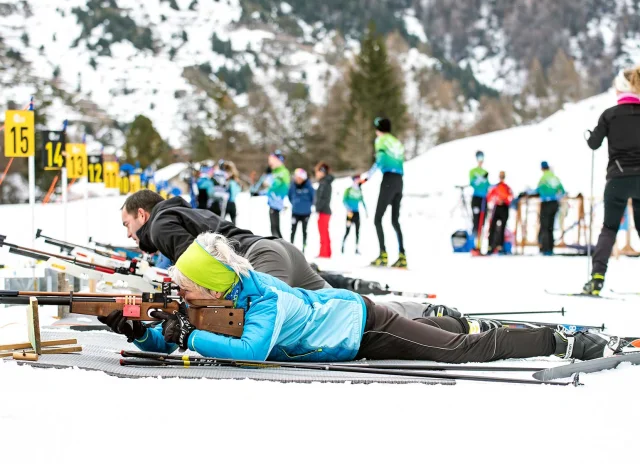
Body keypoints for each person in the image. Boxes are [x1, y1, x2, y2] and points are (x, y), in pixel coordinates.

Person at [102, 232, 625, 364]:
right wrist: (142, 332)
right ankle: (464, 324)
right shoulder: (217, 300)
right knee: (451, 336)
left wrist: (190, 334)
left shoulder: (264, 299)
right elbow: (174, 341)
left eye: (187, 284)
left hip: (364, 326)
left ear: (213, 283)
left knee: (455, 353)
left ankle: (560, 340)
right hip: (354, 333)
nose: (181, 290)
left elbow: (254, 352)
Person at [120, 190, 382, 295]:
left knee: (271, 330)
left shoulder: (158, 226)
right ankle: (417, 313)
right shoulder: (185, 212)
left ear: (142, 215)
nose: (129, 235)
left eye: (128, 225)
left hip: (258, 262)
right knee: (344, 308)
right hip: (279, 250)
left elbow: (198, 267)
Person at [583, 66, 640, 295]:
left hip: (617, 178)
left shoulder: (610, 114)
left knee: (609, 229)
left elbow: (594, 144)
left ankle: (597, 279)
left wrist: (590, 135)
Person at [362, 117, 406, 268]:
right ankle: (402, 256)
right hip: (399, 180)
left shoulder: (380, 140)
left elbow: (379, 160)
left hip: (388, 180)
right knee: (395, 220)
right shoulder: (397, 142)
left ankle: (383, 255)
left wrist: (366, 177)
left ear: (379, 129)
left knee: (377, 219)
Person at [536, 161, 566, 256]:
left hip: (546, 204)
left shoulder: (543, 178)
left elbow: (538, 190)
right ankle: (550, 248)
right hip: (555, 204)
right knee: (550, 227)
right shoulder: (555, 178)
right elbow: (562, 191)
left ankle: (545, 249)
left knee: (544, 227)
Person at [486, 171, 514, 254]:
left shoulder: (507, 187)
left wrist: (504, 200)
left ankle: (500, 247)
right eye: (500, 176)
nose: (501, 177)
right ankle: (490, 246)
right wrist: (496, 200)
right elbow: (489, 197)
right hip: (496, 207)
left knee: (502, 228)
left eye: (503, 176)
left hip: (504, 207)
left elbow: (511, 197)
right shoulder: (495, 187)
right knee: (492, 227)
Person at [288, 168, 314, 253]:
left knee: (304, 230)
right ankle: (291, 247)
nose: (297, 179)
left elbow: (313, 197)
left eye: (299, 177)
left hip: (306, 213)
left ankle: (304, 246)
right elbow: (290, 196)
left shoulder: (309, 186)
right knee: (293, 230)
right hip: (295, 212)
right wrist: (295, 203)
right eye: (296, 177)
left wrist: (307, 206)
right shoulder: (293, 185)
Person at [469, 151, 490, 254]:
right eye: (479, 157)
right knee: (476, 221)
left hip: (484, 199)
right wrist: (480, 179)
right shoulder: (473, 171)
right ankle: (473, 245)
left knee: (482, 222)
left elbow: (488, 186)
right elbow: (472, 183)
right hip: (476, 198)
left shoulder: (485, 171)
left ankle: (479, 246)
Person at [342, 175, 367, 254]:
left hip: (357, 213)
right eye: (356, 179)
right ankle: (342, 246)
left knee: (357, 231)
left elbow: (362, 201)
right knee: (347, 230)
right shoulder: (348, 190)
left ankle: (356, 248)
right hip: (350, 213)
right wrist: (348, 208)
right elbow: (344, 200)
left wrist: (366, 211)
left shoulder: (359, 191)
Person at [314, 161, 333, 258]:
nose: (316, 174)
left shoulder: (324, 183)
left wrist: (318, 208)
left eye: (317, 171)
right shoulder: (324, 183)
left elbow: (323, 198)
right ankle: (325, 252)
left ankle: (324, 253)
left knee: (323, 232)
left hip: (324, 211)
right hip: (324, 210)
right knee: (324, 232)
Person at [222, 160, 241, 225]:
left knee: (225, 222)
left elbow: (235, 192)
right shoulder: (234, 181)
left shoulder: (232, 182)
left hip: (228, 203)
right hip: (228, 203)